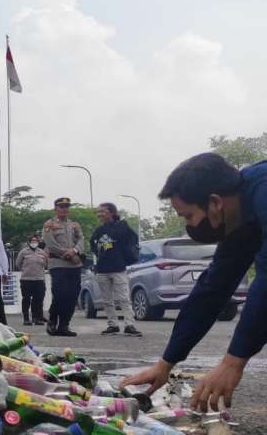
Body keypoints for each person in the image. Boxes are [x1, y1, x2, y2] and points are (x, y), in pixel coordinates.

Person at [120, 152, 267, 413]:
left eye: (188, 216)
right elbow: (212, 289)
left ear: (214, 203)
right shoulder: (240, 216)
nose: (189, 225)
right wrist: (166, 362)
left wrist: (233, 361)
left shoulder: (263, 193)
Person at [90, 202, 143, 337]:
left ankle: (129, 324)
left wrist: (126, 257)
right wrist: (100, 256)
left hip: (118, 268)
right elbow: (93, 245)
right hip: (102, 269)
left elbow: (133, 241)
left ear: (111, 213)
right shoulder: (99, 231)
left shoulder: (122, 226)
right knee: (107, 300)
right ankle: (112, 325)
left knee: (124, 298)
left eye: (102, 211)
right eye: (98, 212)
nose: (99, 214)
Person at [43, 197, 85, 337]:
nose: (64, 209)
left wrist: (75, 251)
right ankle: (52, 320)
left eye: (67, 206)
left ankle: (64, 325)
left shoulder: (74, 225)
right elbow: (51, 245)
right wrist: (68, 254)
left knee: (72, 296)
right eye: (61, 207)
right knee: (60, 294)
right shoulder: (50, 224)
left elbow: (81, 239)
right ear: (55, 209)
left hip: (74, 265)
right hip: (58, 264)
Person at [15, 234, 48, 326]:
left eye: (36, 241)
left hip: (39, 279)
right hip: (26, 279)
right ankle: (26, 318)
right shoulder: (23, 252)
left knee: (38, 299)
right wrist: (26, 270)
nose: (34, 243)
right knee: (26, 299)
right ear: (29, 242)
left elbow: (45, 264)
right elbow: (18, 264)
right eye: (32, 241)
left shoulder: (42, 252)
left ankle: (36, 318)